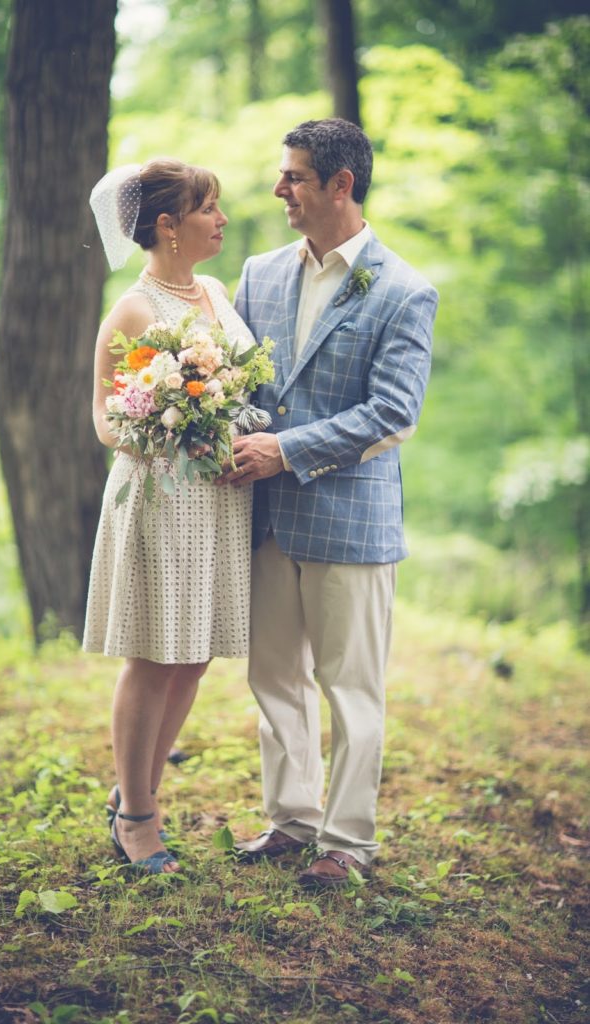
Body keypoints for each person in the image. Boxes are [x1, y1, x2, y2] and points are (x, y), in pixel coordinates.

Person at [224, 118, 438, 888]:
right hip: (269, 516)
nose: (279, 188)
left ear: (340, 185)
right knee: (273, 675)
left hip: (352, 519)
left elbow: (394, 414)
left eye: (295, 177)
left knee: (350, 686)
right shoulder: (260, 272)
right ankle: (291, 820)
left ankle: (346, 841)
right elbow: (246, 388)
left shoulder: (405, 290)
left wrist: (285, 449)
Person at [83, 159, 255, 874]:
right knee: (154, 656)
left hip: (218, 501)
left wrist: (229, 428)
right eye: (208, 207)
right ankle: (138, 818)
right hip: (162, 497)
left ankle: (135, 793)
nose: (220, 218)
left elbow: (243, 377)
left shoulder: (215, 289)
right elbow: (103, 419)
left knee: (194, 655)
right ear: (167, 225)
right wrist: (175, 429)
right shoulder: (132, 310)